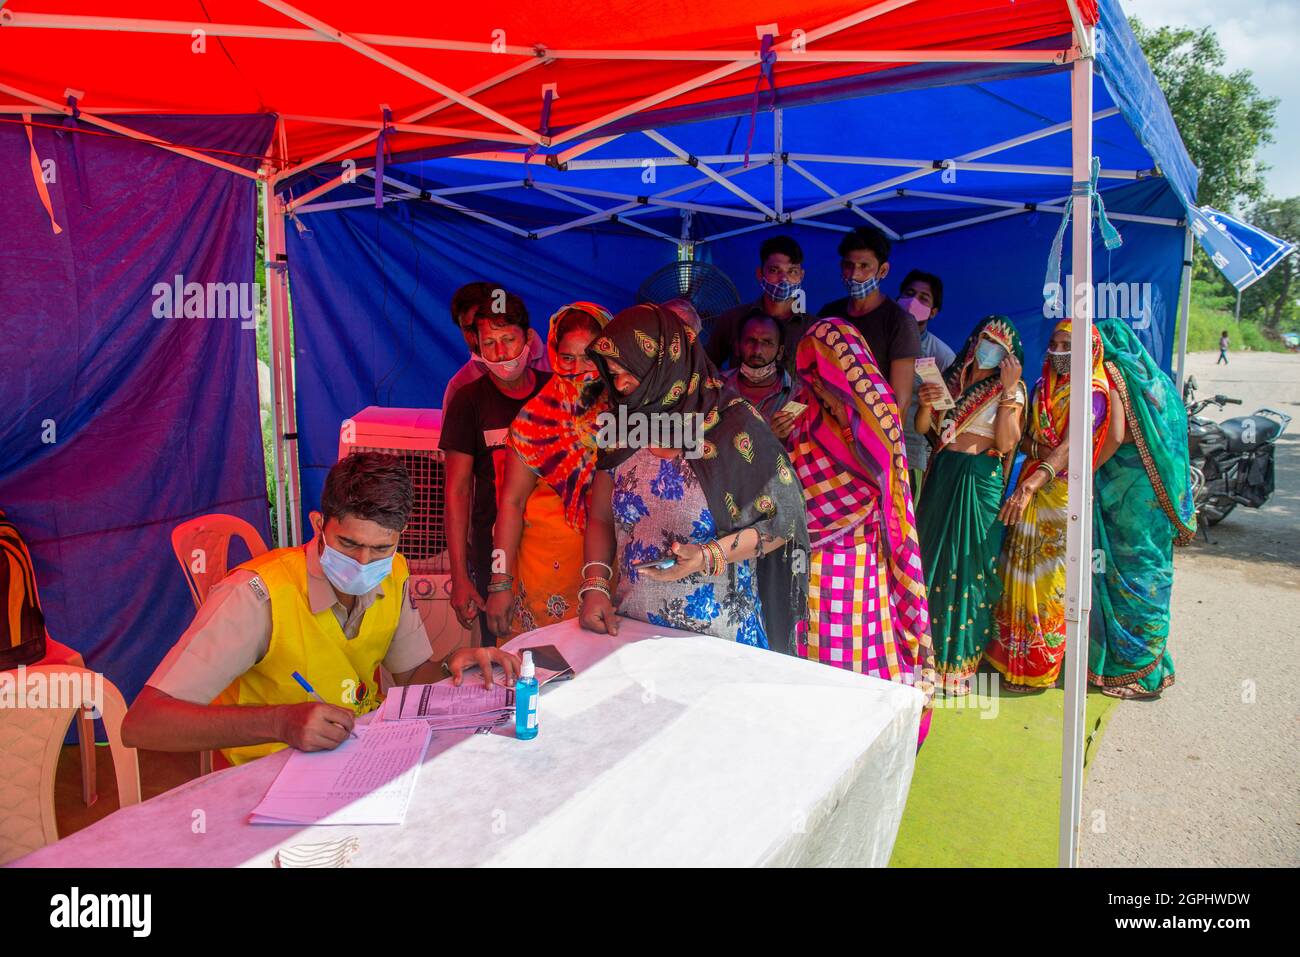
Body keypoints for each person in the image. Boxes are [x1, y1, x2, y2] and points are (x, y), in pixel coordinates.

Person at [122, 453, 520, 767]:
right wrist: (278, 722)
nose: (365, 563)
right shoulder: (255, 596)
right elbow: (144, 724)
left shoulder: (394, 573)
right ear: (318, 525)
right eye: (348, 544)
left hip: (353, 757)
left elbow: (411, 674)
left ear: (400, 540)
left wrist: (454, 663)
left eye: (381, 548)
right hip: (265, 770)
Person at [579, 304, 809, 650]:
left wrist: (707, 556)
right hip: (633, 632)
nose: (620, 385)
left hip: (719, 638)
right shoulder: (622, 426)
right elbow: (599, 517)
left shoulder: (734, 425)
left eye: (630, 372)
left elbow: (785, 521)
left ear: (664, 366)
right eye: (612, 374)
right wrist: (595, 586)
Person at [788, 319, 936, 738]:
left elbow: (888, 486)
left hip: (856, 559)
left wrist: (853, 434)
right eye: (813, 376)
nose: (820, 388)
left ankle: (857, 735)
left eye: (827, 378)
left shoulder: (879, 415)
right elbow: (788, 481)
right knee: (809, 647)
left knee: (853, 647)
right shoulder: (805, 415)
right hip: (804, 560)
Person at [986, 319, 1111, 691]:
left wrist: (1035, 478)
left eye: (1067, 344)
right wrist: (1039, 460)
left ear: (1089, 352)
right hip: (1032, 484)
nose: (1058, 351)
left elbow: (1072, 447)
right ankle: (1009, 658)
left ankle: (1038, 667)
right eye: (1054, 343)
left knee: (1049, 581)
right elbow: (1025, 440)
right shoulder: (1041, 387)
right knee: (1017, 572)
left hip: (1061, 497)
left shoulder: (1093, 392)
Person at [485, 301, 613, 642]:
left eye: (589, 358)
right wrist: (500, 582)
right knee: (540, 681)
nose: (576, 369)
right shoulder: (533, 420)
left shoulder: (627, 417)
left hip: (606, 575)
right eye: (567, 358)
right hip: (545, 576)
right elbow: (511, 504)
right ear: (554, 354)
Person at [914, 315, 1026, 695]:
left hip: (979, 481)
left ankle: (958, 667)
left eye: (997, 344)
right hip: (944, 475)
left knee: (970, 567)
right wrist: (927, 405)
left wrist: (1009, 391)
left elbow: (1008, 443)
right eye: (983, 339)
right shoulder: (950, 382)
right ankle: (923, 659)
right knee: (932, 559)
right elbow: (924, 429)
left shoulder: (1010, 389)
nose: (987, 348)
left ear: (1009, 356)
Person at [1090, 319, 1195, 699]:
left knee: (1130, 578)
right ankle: (1148, 664)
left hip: (1126, 495)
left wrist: (1085, 470)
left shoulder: (1115, 374)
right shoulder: (1154, 380)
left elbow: (1116, 435)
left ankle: (1142, 673)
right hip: (1148, 497)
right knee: (1149, 573)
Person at [440, 293, 550, 645]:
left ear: (529, 339)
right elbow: (457, 492)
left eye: (508, 340)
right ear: (477, 347)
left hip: (552, 549)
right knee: (503, 653)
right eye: (489, 343)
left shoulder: (555, 392)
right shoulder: (467, 400)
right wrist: (460, 576)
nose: (501, 353)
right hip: (494, 551)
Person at [817, 225, 920, 416]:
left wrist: (885, 445)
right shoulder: (829, 314)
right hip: (828, 430)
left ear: (883, 271)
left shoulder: (900, 321)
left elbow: (901, 402)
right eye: (849, 265)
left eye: (865, 266)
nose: (855, 275)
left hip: (872, 432)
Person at [706, 235, 811, 374]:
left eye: (792, 271)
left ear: (801, 276)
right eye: (774, 270)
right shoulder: (732, 319)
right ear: (760, 274)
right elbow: (706, 366)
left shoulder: (813, 329)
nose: (784, 279)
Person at [441, 281, 550, 411]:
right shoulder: (460, 386)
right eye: (470, 329)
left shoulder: (560, 362)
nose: (477, 338)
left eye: (508, 339)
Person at [897, 269, 956, 493]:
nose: (913, 301)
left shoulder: (942, 356)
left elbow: (944, 416)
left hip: (912, 451)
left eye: (923, 298)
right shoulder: (877, 340)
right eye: (909, 293)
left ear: (933, 312)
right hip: (871, 444)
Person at [722, 310, 798, 439]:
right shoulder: (714, 386)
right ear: (737, 347)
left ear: (780, 352)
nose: (757, 350)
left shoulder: (797, 396)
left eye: (767, 342)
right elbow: (693, 442)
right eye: (751, 341)